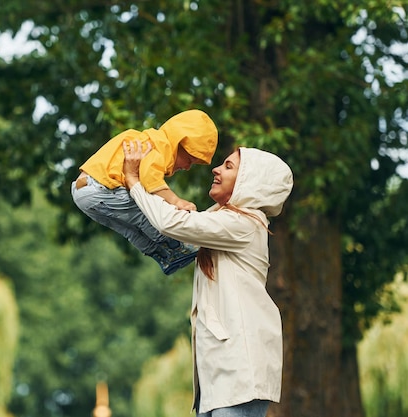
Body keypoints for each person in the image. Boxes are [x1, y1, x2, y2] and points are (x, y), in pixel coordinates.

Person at [122, 140, 293, 417]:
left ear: (250, 182)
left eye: (228, 166)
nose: (215, 169)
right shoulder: (222, 221)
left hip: (239, 370)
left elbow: (171, 223)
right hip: (221, 374)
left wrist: (134, 181)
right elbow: (178, 223)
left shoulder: (245, 224)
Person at [71, 109, 218, 275]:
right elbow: (151, 181)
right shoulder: (156, 147)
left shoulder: (146, 140)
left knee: (130, 229)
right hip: (101, 189)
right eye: (190, 160)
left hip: (81, 192)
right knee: (146, 211)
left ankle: (162, 255)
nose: (187, 167)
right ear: (178, 142)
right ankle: (177, 244)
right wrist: (176, 202)